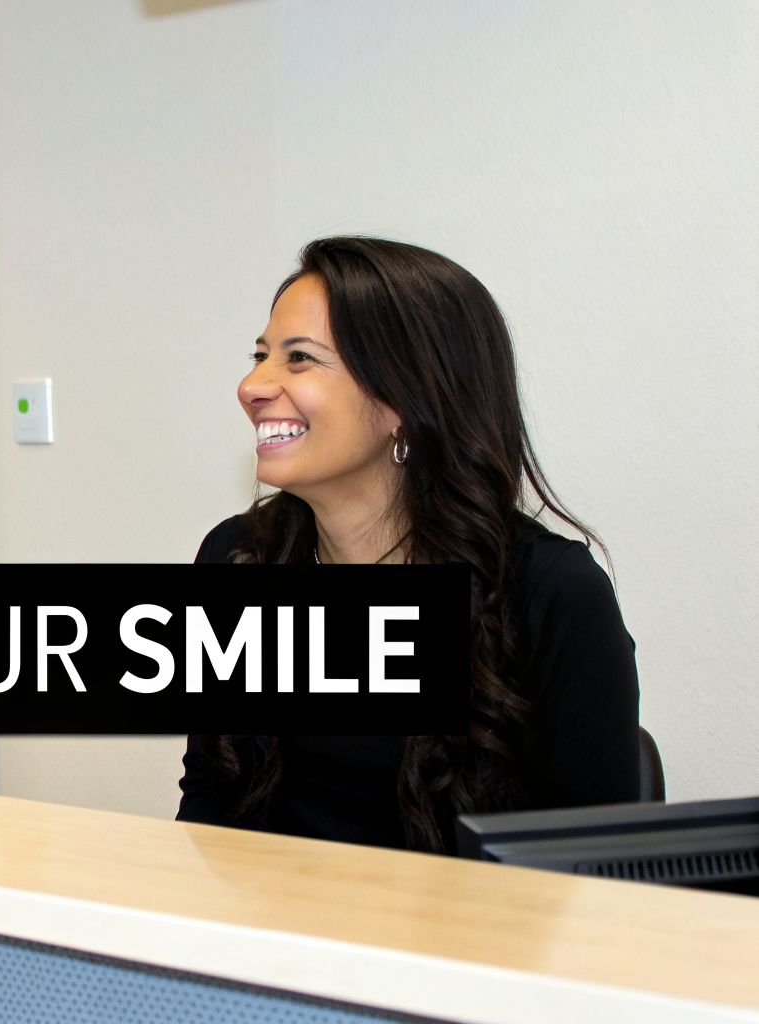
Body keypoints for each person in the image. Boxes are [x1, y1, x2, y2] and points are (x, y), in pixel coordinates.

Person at [178, 236, 640, 853]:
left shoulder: (550, 593)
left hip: (471, 947)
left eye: (298, 360)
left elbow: (596, 878)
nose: (252, 385)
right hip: (270, 944)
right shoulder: (236, 559)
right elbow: (208, 812)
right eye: (260, 355)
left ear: (401, 398)